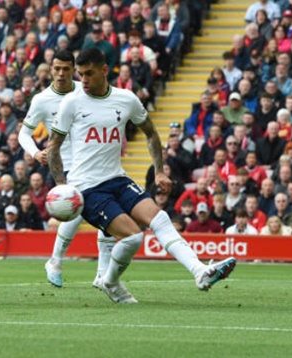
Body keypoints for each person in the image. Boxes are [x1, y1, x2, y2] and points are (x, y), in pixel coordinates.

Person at [47, 48, 236, 303]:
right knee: (134, 236)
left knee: (160, 219)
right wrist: (62, 186)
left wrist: (158, 170)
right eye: (80, 75)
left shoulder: (126, 99)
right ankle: (111, 282)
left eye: (89, 74)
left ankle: (200, 271)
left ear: (105, 71)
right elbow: (53, 147)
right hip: (87, 188)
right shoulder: (72, 102)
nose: (84, 80)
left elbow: (150, 133)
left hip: (118, 178)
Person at [18, 50, 113, 288]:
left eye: (66, 69)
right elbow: (23, 133)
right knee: (77, 207)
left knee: (109, 211)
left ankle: (100, 272)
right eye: (56, 68)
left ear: (74, 70)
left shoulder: (86, 90)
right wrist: (35, 152)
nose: (61, 74)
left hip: (95, 160)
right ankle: (56, 261)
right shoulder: (42, 100)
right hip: (67, 165)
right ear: (51, 69)